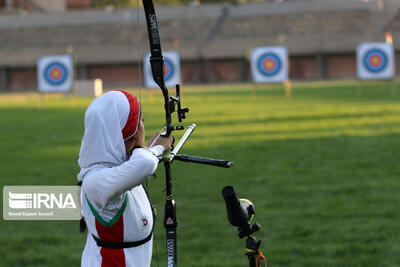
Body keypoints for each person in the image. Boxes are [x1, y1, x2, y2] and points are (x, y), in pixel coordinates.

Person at [77, 90, 173, 267]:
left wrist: (147, 150)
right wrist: (155, 149)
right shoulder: (95, 182)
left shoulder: (119, 169)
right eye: (140, 122)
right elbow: (144, 164)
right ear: (133, 133)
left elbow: (139, 164)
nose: (143, 127)